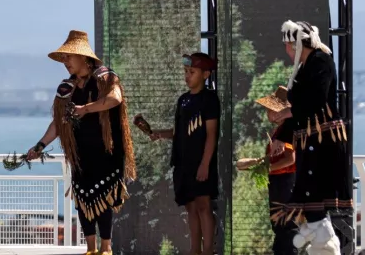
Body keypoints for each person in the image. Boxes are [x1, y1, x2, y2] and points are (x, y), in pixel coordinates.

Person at [26, 30, 137, 255]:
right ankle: (90, 248)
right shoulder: (67, 87)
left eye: (69, 56)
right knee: (83, 197)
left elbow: (115, 98)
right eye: (64, 57)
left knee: (103, 197)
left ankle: (106, 247)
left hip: (107, 151)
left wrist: (86, 109)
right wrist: (40, 145)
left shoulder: (106, 77)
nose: (65, 61)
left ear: (84, 57)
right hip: (81, 153)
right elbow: (58, 123)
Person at [267, 21, 351, 255]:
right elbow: (297, 109)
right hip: (310, 140)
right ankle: (317, 233)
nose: (286, 50)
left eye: (287, 45)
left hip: (324, 140)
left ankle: (317, 233)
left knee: (312, 194)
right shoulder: (305, 68)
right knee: (310, 198)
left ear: (296, 44)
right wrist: (280, 136)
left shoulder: (321, 61)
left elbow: (315, 100)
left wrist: (286, 112)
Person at [149, 53, 220, 255]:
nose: (187, 76)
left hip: (201, 162)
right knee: (190, 207)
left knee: (204, 205)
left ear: (205, 74)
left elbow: (211, 134)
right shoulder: (183, 100)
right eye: (186, 72)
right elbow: (179, 133)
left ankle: (208, 251)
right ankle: (194, 250)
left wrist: (205, 164)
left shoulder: (210, 100)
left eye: (192, 72)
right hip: (182, 164)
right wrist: (160, 134)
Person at [238, 122, 298, 255]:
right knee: (278, 223)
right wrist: (259, 163)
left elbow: (290, 159)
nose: (269, 113)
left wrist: (267, 168)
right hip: (277, 181)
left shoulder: (286, 131)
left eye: (271, 110)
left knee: (287, 224)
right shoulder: (278, 131)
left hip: (286, 181)